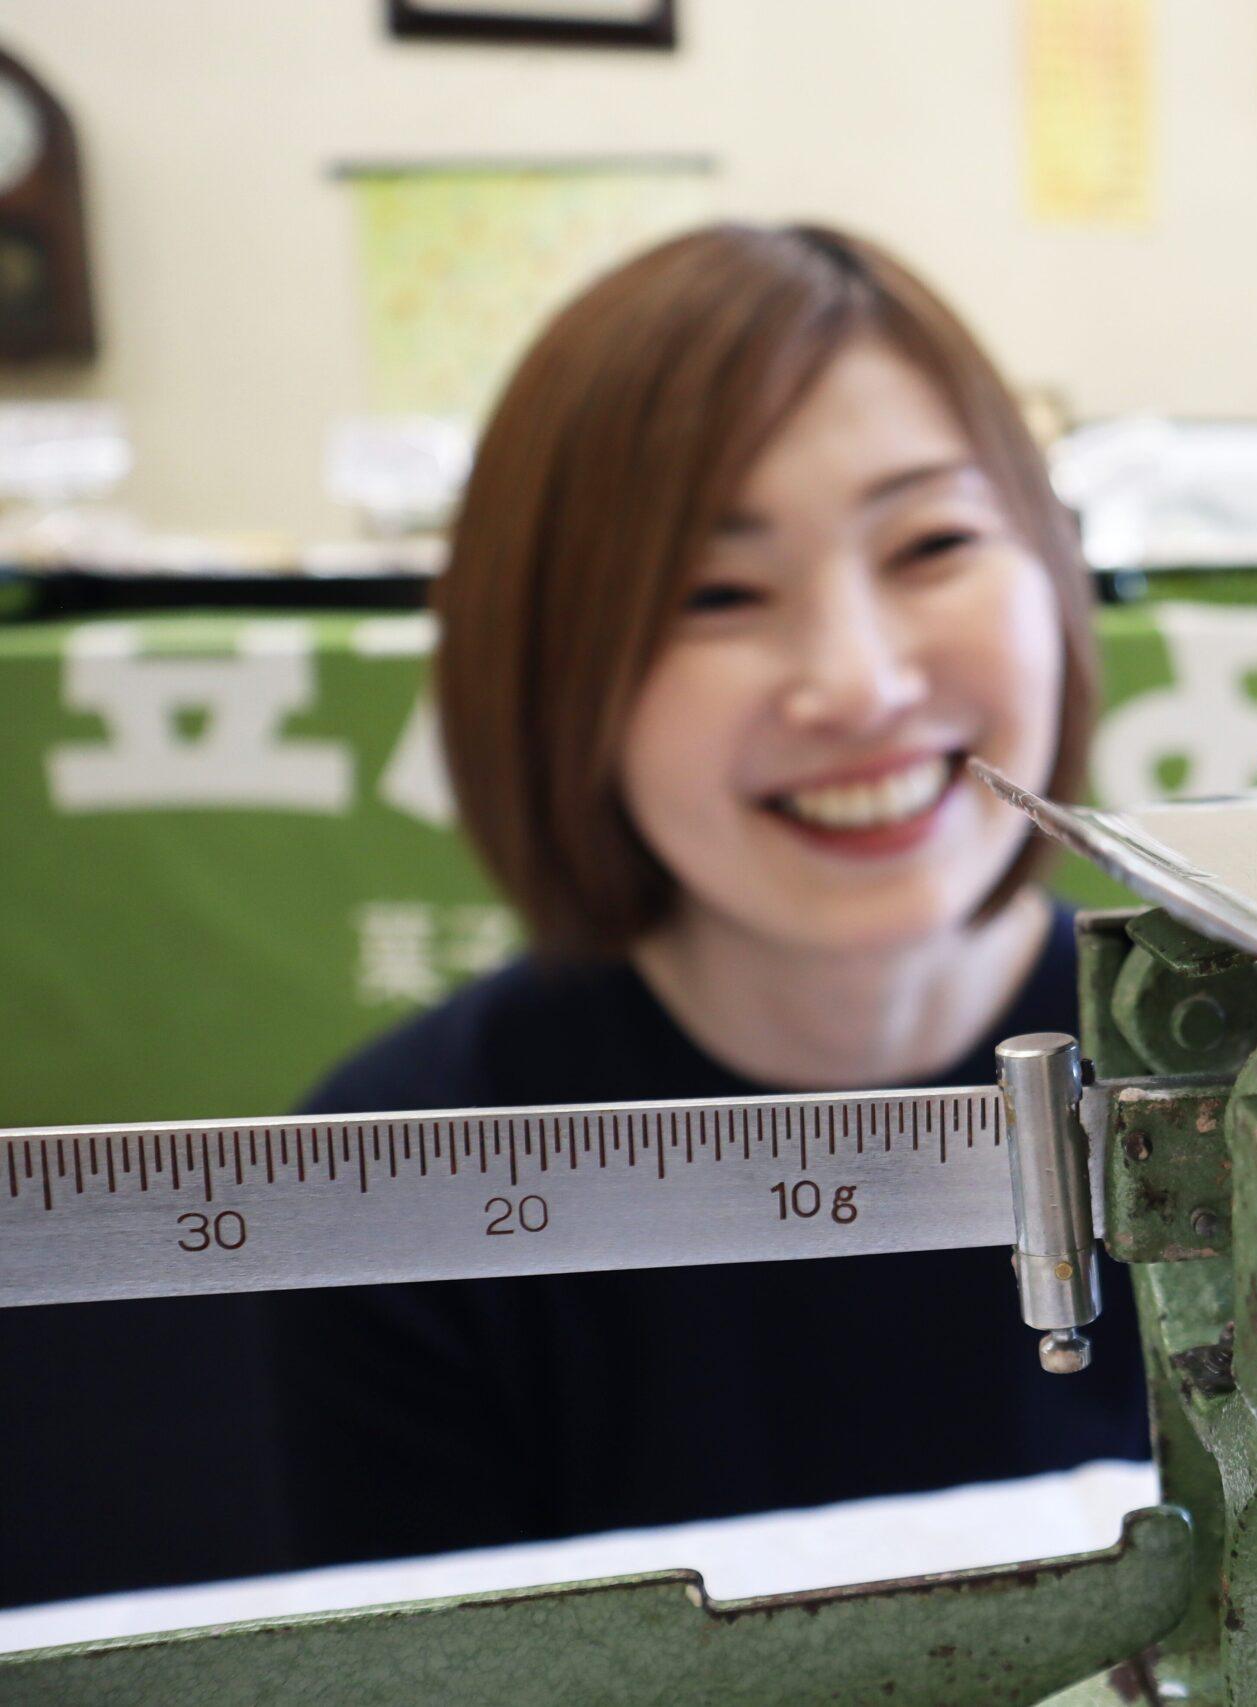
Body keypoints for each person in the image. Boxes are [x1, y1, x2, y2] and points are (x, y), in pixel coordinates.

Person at [263, 223, 1146, 1567]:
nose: (856, 683)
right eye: (718, 591)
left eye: (931, 543)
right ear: (554, 674)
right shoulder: (388, 1191)